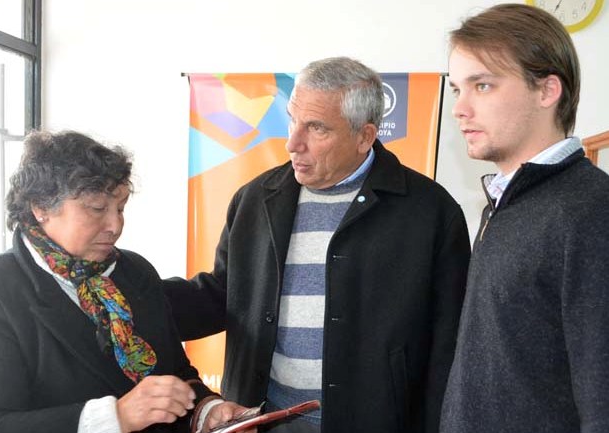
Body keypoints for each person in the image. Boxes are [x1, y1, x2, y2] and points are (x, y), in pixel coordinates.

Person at [165, 56, 471, 433]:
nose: (293, 143)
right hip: (262, 419)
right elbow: (223, 295)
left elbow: (450, 345)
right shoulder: (256, 199)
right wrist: (134, 296)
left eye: (316, 128)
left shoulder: (430, 212)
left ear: (365, 136)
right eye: (293, 120)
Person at [0, 130, 251, 433]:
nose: (115, 225)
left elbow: (175, 371)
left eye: (121, 208)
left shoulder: (133, 271)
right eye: (97, 208)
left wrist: (206, 410)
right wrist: (114, 416)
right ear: (41, 207)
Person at [441, 4, 609, 433]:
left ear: (547, 90)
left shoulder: (592, 210)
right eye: (457, 88)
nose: (459, 108)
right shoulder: (502, 205)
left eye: (482, 85)